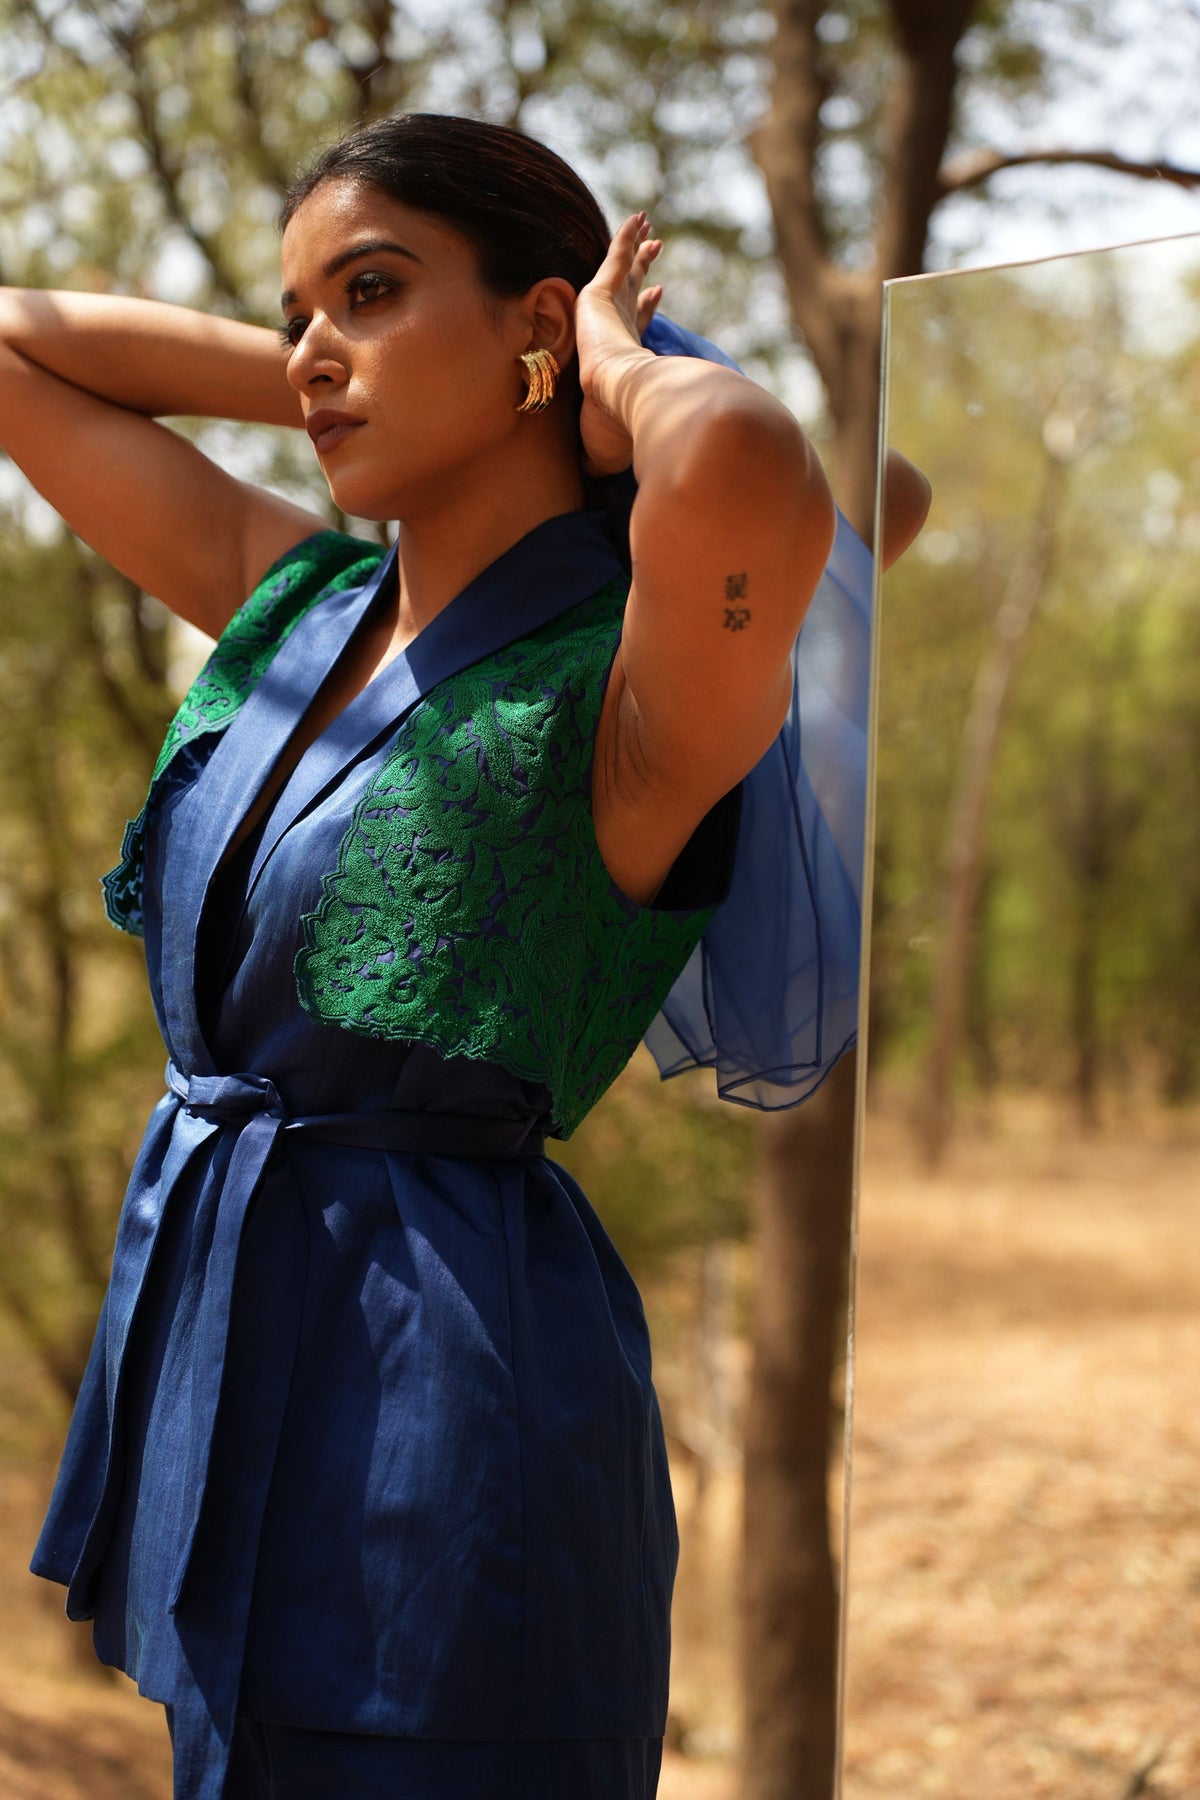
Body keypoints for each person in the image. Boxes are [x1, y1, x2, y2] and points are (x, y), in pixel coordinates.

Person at [3, 112, 929, 1800]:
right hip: (229, 1370)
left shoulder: (628, 689)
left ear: (538, 321)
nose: (313, 355)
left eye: (368, 292)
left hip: (456, 1434)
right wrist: (339, 367)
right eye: (300, 313)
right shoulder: (293, 606)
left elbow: (742, 461)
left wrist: (607, 366)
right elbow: (9, 346)